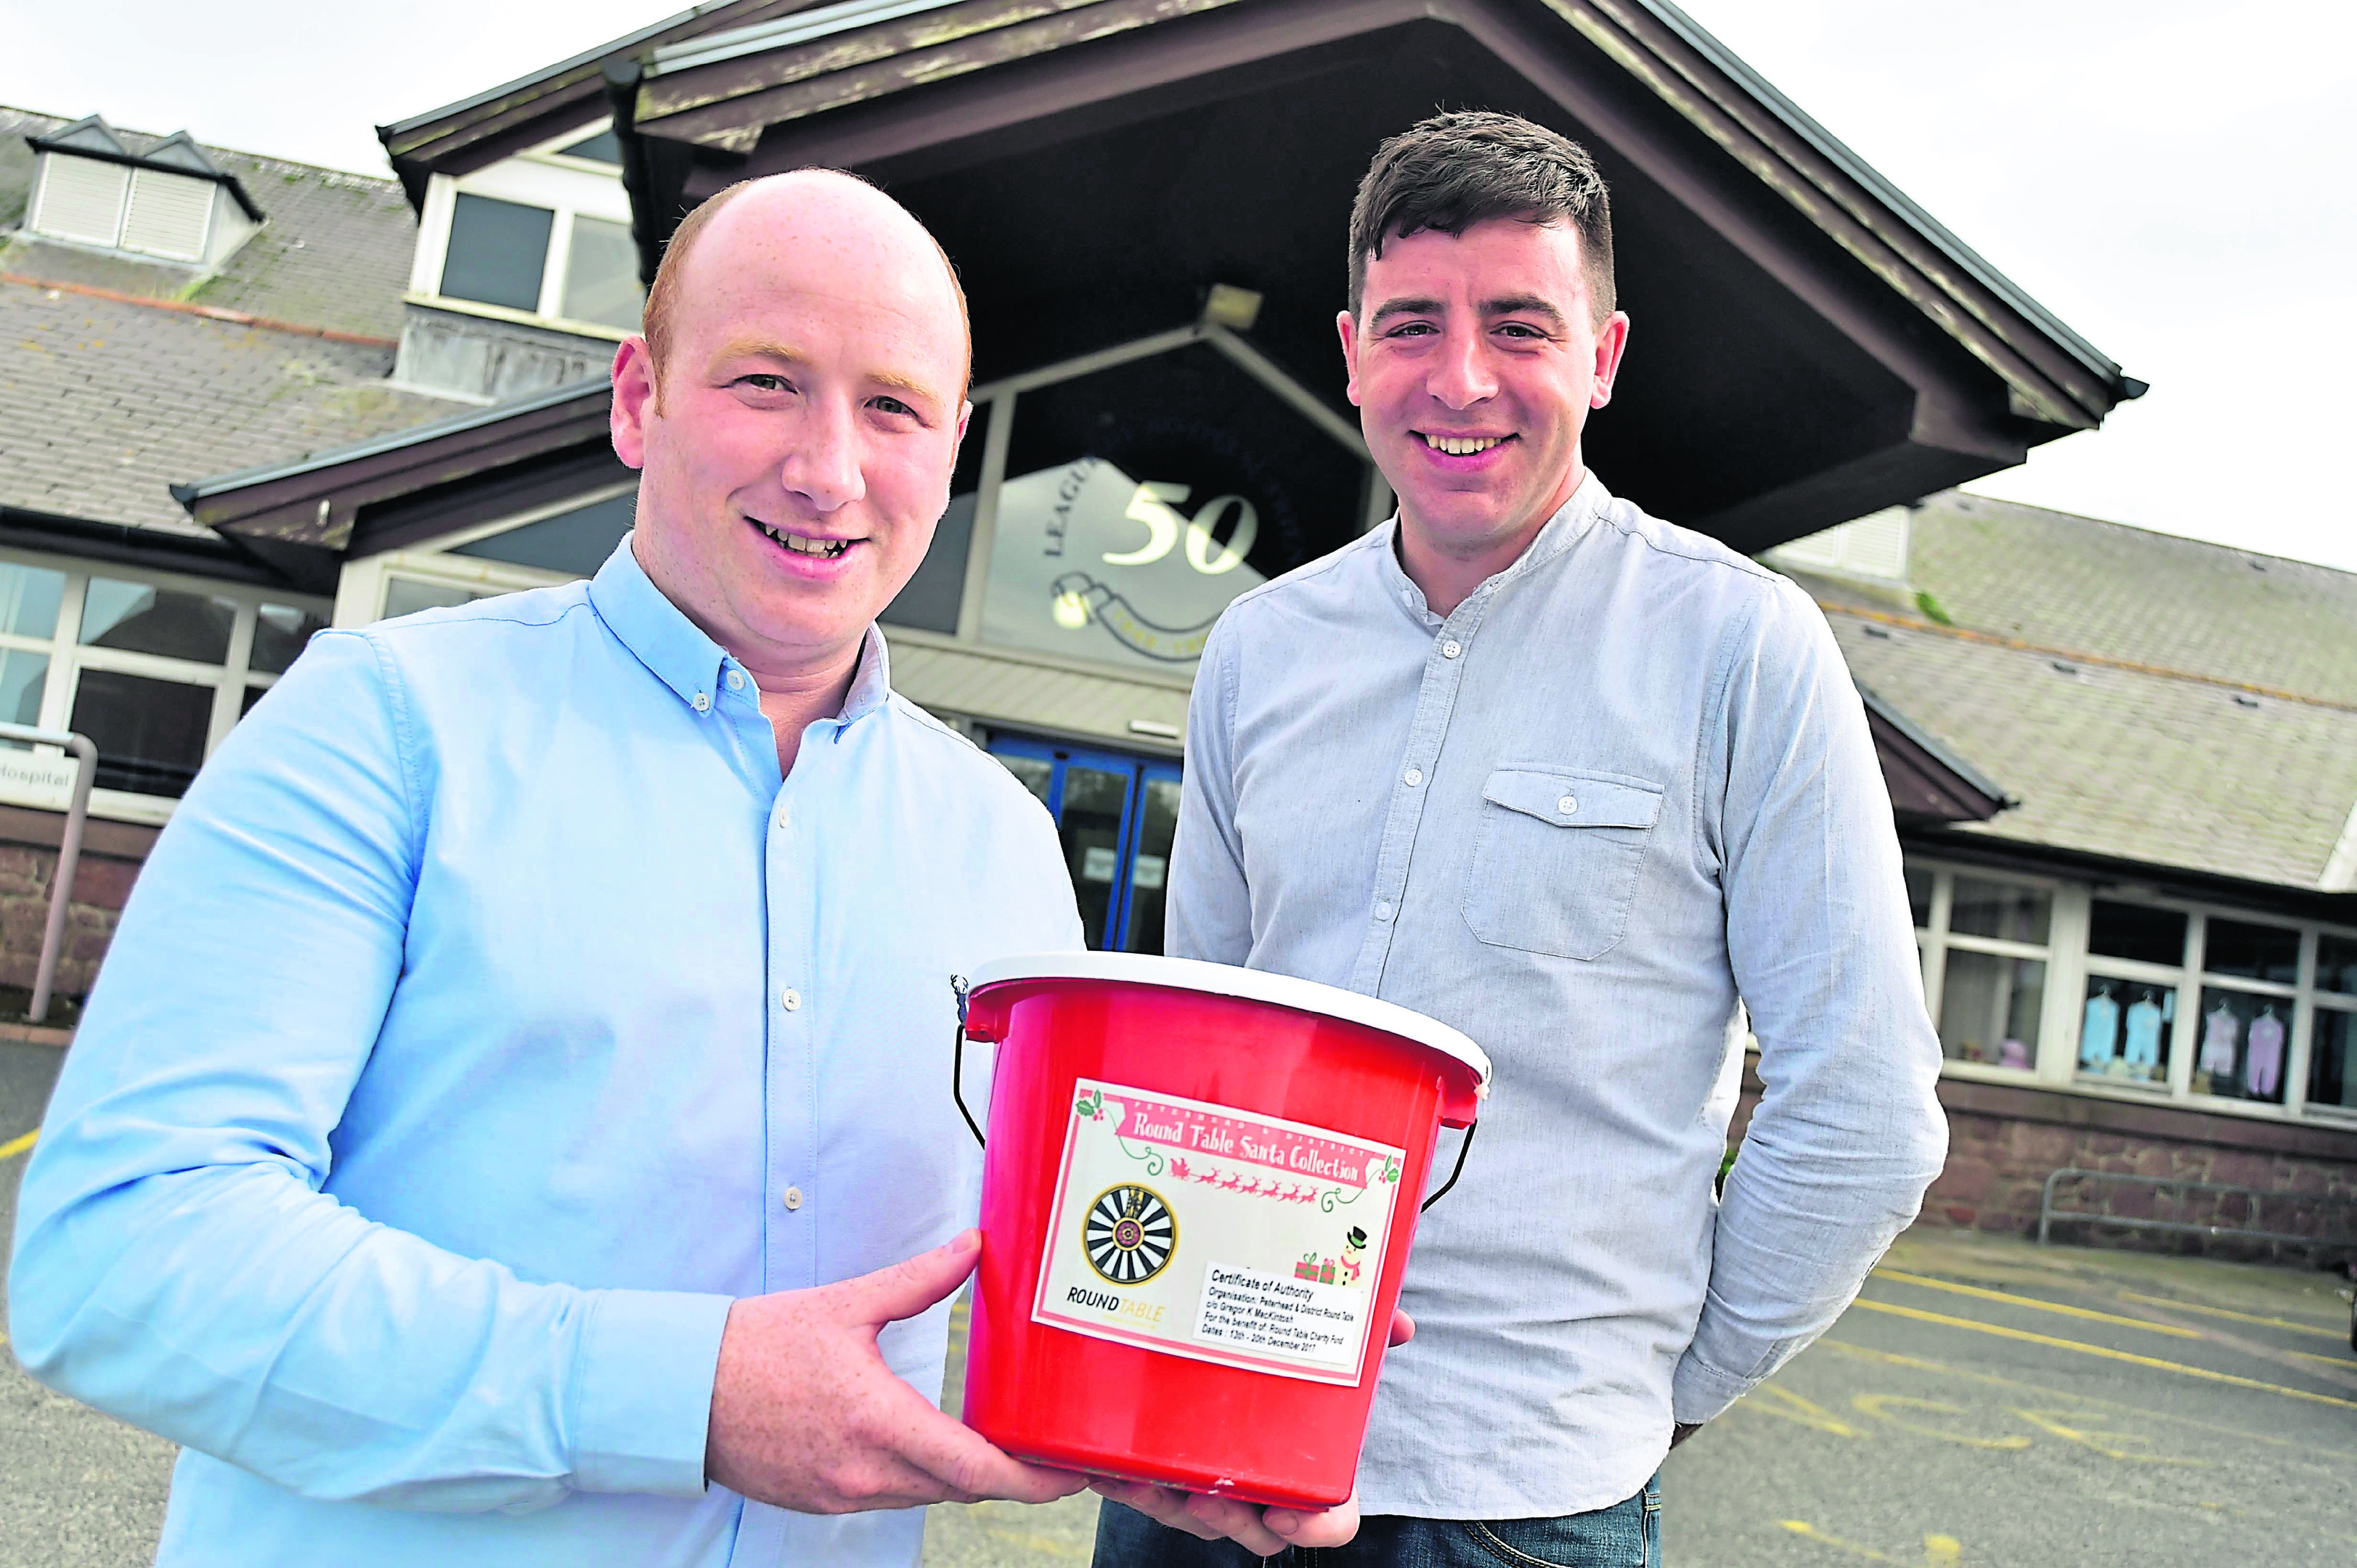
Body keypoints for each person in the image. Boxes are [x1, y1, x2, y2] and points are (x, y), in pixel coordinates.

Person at [11, 170, 1103, 1567]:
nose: (829, 468)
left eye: (890, 406)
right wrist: (679, 1394)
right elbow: (122, 1256)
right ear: (638, 400)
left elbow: (1028, 1289)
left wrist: (1222, 1395)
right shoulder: (385, 727)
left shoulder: (1002, 847)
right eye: (766, 382)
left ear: (949, 449)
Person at [1095, 112, 1949, 1566]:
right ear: (1353, 350)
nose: (1463, 378)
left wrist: (1652, 1400)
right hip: (1199, 1474)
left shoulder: (1741, 651)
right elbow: (1205, 1071)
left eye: (1520, 325)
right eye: (1415, 325)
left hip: (1514, 1503)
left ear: (1605, 357)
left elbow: (1865, 1117)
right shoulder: (1257, 652)